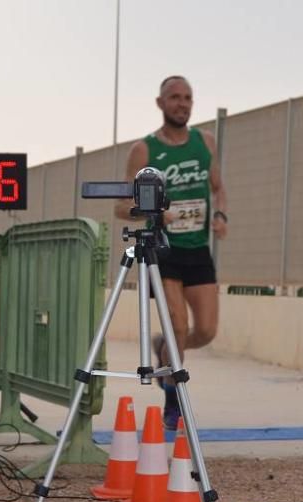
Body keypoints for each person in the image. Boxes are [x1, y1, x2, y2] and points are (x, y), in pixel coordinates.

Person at [114, 75, 228, 430]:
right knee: (178, 323)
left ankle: (166, 350)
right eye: (175, 97)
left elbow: (219, 189)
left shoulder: (205, 143)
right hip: (162, 249)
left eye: (188, 98)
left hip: (197, 250)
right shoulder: (144, 150)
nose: (182, 103)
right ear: (160, 103)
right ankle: (173, 398)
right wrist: (153, 212)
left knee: (206, 330)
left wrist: (220, 215)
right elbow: (121, 205)